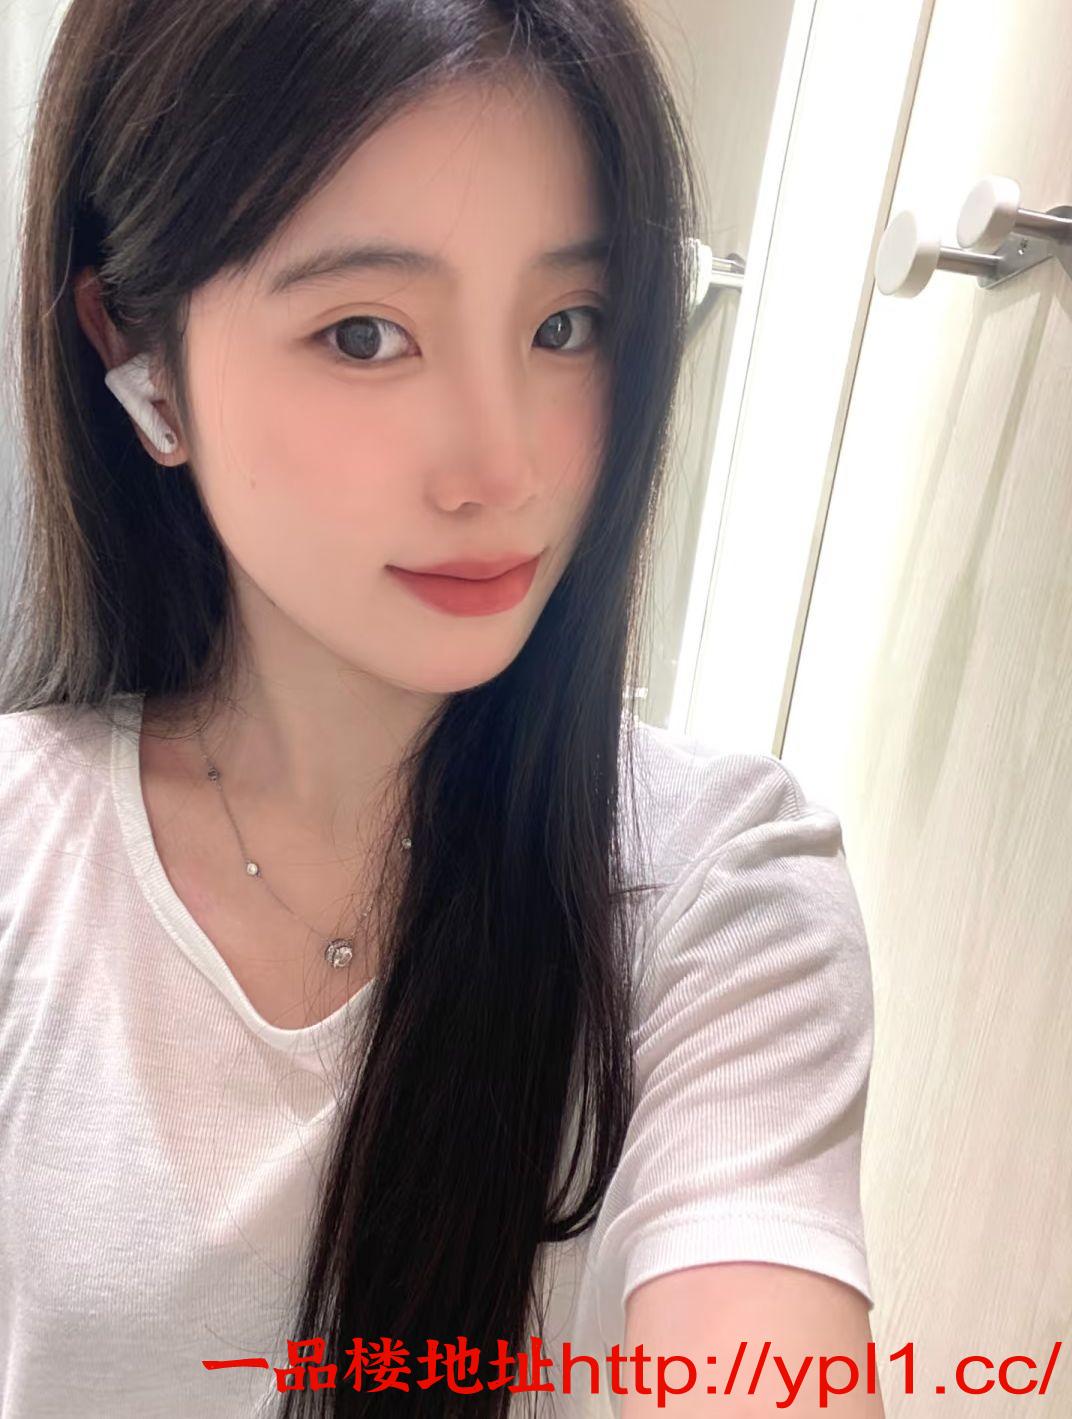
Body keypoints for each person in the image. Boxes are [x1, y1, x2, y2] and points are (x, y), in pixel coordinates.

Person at [0, 2, 883, 1416]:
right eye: (366, 334)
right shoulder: (25, 851)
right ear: (142, 357)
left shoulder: (714, 888)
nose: (502, 464)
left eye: (565, 326)